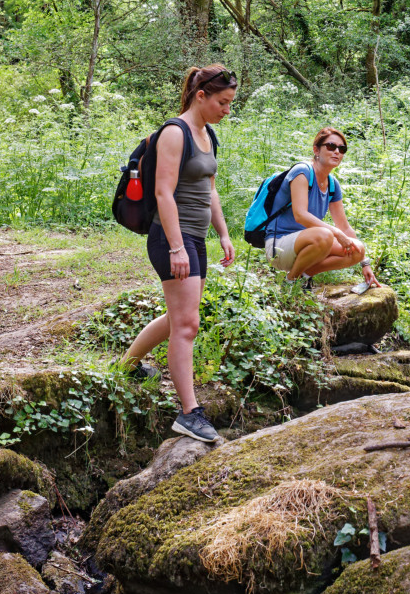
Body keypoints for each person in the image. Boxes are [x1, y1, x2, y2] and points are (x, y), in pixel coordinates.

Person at [119, 64, 238, 443]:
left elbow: (210, 188)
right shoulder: (175, 133)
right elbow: (163, 193)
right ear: (200, 95)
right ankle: (189, 414)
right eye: (222, 102)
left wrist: (222, 233)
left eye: (230, 103)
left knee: (178, 318)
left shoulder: (208, 134)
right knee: (188, 324)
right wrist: (176, 247)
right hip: (172, 237)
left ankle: (126, 366)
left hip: (195, 237)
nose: (226, 109)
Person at [263, 127, 380, 290]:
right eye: (331, 146)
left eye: (342, 149)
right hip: (279, 246)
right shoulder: (302, 172)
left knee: (357, 249)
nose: (337, 152)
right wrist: (336, 233)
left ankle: (303, 277)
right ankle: (290, 283)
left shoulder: (332, 184)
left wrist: (365, 263)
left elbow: (344, 227)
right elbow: (300, 215)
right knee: (324, 235)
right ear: (316, 150)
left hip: (307, 245)